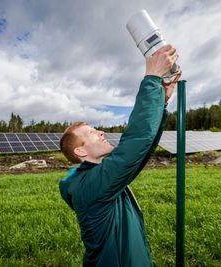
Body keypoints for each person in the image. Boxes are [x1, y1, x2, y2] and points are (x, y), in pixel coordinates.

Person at [59, 44, 181, 266]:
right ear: (80, 151)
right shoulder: (90, 186)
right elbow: (134, 144)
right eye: (92, 133)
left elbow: (139, 153)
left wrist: (161, 102)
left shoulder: (97, 177)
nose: (101, 132)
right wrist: (151, 79)